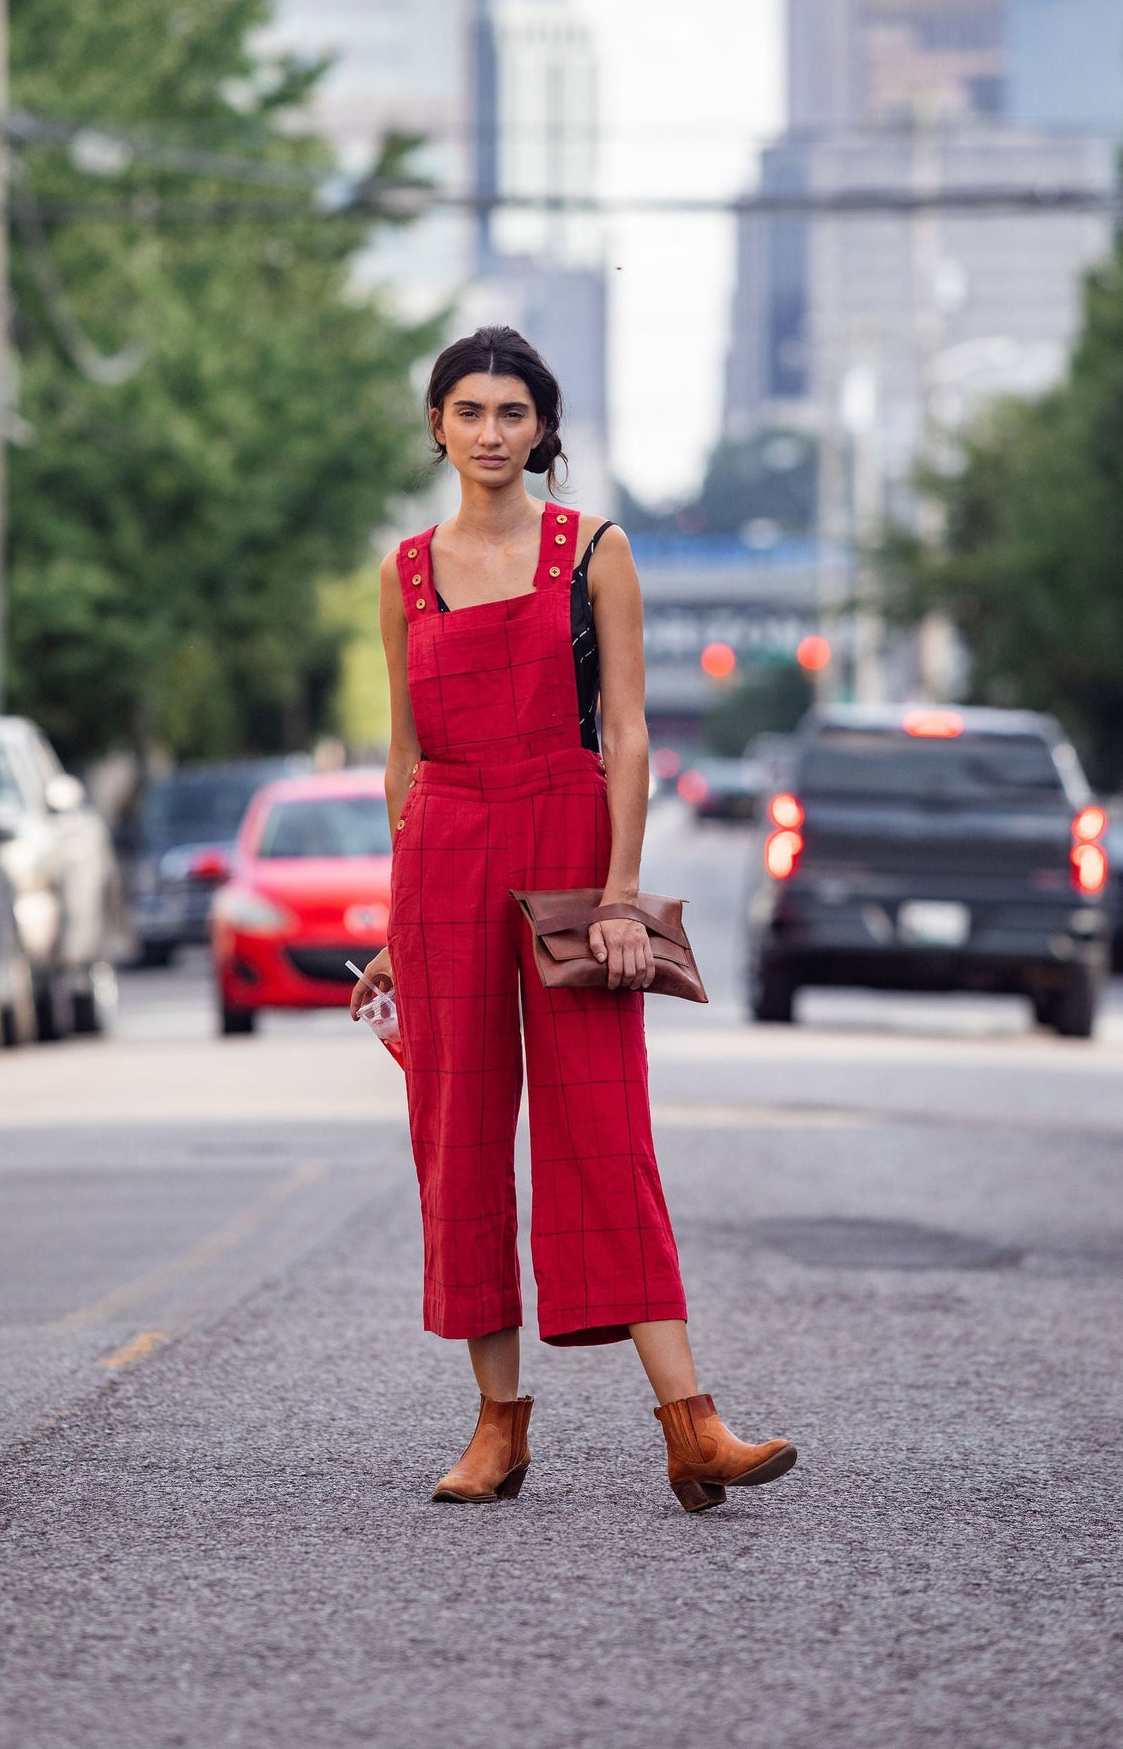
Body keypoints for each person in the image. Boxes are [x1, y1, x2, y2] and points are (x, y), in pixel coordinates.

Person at [353, 326, 797, 1513]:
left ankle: (690, 1421)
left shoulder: (591, 549)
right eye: (468, 410)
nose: (490, 432)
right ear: (436, 426)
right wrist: (399, 921)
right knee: (455, 1138)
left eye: (512, 412)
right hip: (444, 848)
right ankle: (496, 1427)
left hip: (562, 829)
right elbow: (401, 760)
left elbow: (631, 732)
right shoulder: (404, 573)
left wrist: (616, 893)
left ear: (542, 428)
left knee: (602, 1127)